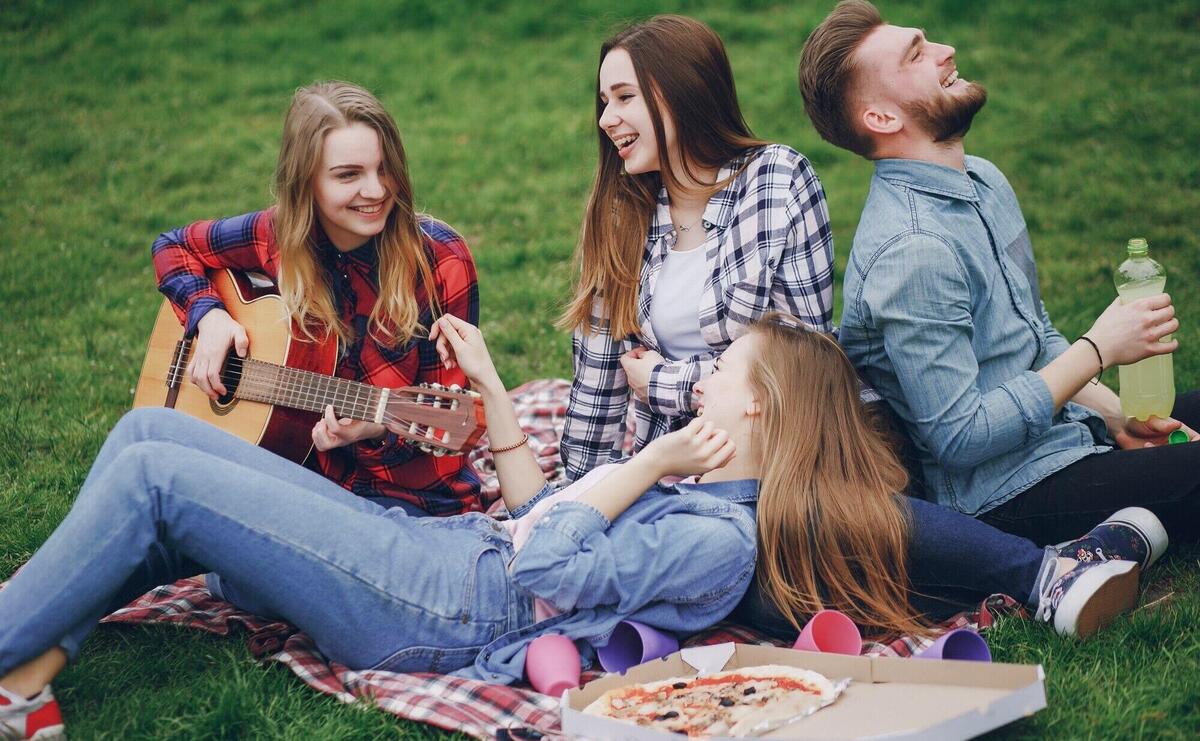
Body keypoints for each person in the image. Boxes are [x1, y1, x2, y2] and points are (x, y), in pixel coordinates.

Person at [0, 314, 1157, 738]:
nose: (697, 381)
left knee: (154, 466)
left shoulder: (720, 541)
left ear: (754, 409)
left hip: (429, 611)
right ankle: (29, 672)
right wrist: (509, 403)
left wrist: (644, 460)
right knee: (156, 458)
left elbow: (547, 556)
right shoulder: (702, 501)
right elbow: (539, 522)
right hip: (443, 567)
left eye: (719, 372)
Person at [796, 1, 1200, 544]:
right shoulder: (912, 252)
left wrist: (1115, 415)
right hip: (1003, 495)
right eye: (918, 54)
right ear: (882, 118)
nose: (946, 51)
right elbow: (960, 438)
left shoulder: (982, 180)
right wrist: (1100, 350)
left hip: (1065, 433)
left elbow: (1032, 336)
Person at [151, 81, 481, 517]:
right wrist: (209, 318)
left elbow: (454, 426)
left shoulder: (439, 261)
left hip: (412, 503)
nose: (377, 190)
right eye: (349, 175)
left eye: (385, 169)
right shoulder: (278, 237)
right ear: (305, 182)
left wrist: (376, 428)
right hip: (301, 479)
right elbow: (173, 246)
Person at [560, 15, 841, 482]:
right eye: (604, 101)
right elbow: (598, 380)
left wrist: (664, 383)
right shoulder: (620, 213)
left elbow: (806, 368)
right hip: (666, 472)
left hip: (776, 471)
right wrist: (572, 500)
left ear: (681, 93)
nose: (606, 119)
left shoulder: (776, 181)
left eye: (625, 97)